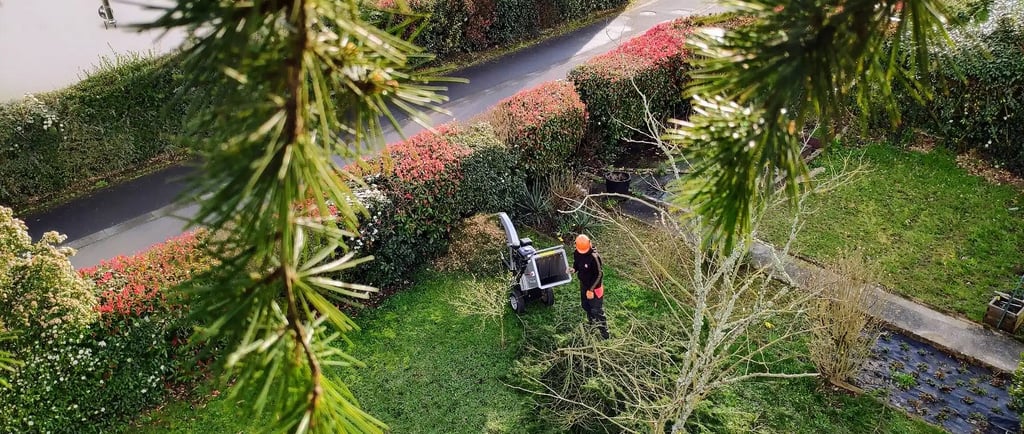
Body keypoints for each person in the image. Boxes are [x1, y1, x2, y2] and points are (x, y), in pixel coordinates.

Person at [570, 234, 608, 339]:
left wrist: (591, 290)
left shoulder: (594, 257)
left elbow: (599, 274)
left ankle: (604, 333)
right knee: (586, 306)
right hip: (584, 284)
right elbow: (577, 264)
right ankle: (592, 324)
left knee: (597, 310)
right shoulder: (577, 253)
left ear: (589, 244)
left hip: (595, 287)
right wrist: (574, 269)